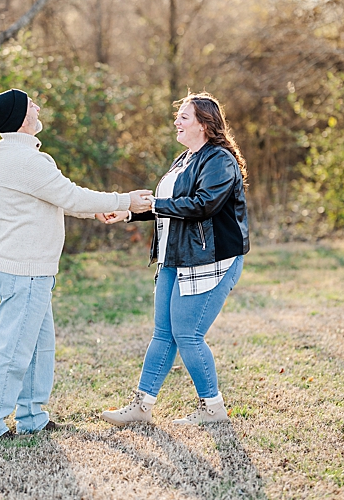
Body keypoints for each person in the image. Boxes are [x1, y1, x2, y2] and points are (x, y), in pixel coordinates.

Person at [0, 88, 153, 443]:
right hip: (24, 270)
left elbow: (58, 198)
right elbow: (68, 194)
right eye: (31, 104)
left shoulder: (17, 155)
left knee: (40, 349)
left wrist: (96, 209)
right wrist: (125, 199)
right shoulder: (21, 159)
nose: (38, 107)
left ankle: (31, 416)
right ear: (22, 117)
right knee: (12, 351)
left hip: (33, 269)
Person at [99, 92, 249, 427]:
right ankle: (141, 407)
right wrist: (126, 214)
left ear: (204, 124)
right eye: (177, 116)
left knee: (188, 334)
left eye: (184, 116)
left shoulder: (219, 159)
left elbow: (202, 204)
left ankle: (213, 409)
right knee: (163, 333)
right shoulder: (184, 159)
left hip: (210, 259)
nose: (176, 121)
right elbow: (168, 208)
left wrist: (152, 205)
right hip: (173, 256)